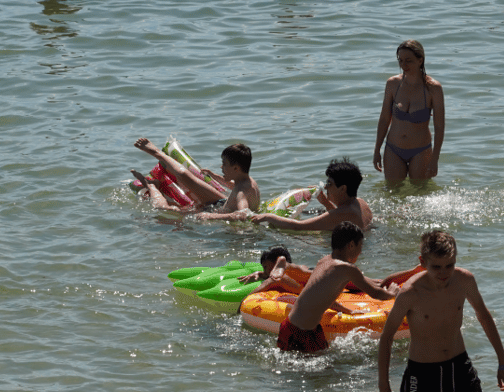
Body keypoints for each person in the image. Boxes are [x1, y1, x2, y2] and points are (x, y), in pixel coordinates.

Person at [377, 231, 504, 392]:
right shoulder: (410, 292)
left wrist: (503, 361)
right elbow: (386, 338)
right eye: (436, 267)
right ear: (423, 262)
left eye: (449, 265)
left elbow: (483, 316)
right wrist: (384, 388)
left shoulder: (464, 280)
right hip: (422, 373)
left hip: (460, 367)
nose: (444, 272)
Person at [276, 222, 398, 352]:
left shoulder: (324, 261)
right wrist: (393, 292)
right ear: (351, 245)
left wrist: (347, 311)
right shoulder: (347, 269)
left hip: (294, 327)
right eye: (360, 246)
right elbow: (376, 293)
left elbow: (321, 297)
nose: (361, 251)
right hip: (300, 333)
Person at [131, 138, 260, 220]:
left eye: (224, 164)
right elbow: (233, 185)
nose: (221, 167)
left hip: (214, 210)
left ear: (236, 168)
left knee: (167, 209)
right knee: (187, 177)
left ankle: (151, 185)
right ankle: (158, 153)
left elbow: (243, 215)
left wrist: (210, 216)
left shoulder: (241, 194)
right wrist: (215, 177)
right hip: (220, 203)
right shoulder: (248, 181)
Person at [374, 40, 446, 181]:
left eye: (408, 61)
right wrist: (377, 150)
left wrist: (435, 159)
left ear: (420, 60)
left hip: (421, 150)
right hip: (393, 149)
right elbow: (384, 119)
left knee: (420, 191)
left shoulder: (433, 88)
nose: (403, 65)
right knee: (392, 191)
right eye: (400, 60)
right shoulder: (393, 84)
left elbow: (439, 127)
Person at [249, 159, 373, 230]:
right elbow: (339, 217)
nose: (325, 187)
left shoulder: (342, 213)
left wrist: (268, 217)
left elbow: (298, 227)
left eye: (329, 184)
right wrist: (325, 203)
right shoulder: (360, 203)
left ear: (342, 189)